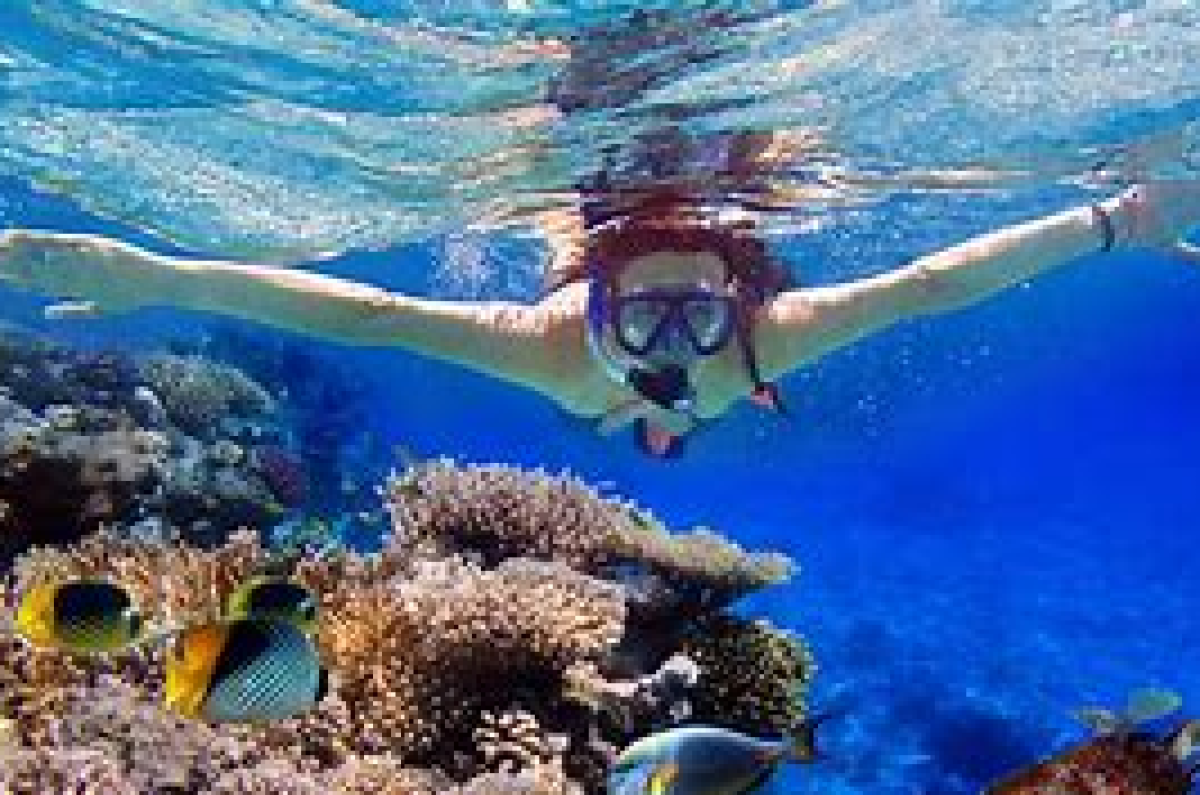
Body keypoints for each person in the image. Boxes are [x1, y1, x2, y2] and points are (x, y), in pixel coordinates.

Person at [0, 177, 1197, 458]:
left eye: (697, 309)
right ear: (592, 295)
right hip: (666, 379)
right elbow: (363, 311)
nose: (675, 337)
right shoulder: (559, 342)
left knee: (687, 412)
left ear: (738, 290)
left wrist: (1115, 216)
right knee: (686, 409)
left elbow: (934, 281)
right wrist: (151, 271)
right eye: (647, 312)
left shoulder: (755, 336)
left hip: (700, 389)